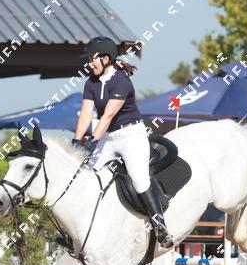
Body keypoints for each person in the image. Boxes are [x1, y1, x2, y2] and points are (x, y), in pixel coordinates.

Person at [73, 36, 173, 248]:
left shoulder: (121, 81)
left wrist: (92, 140)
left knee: (139, 179)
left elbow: (108, 115)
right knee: (85, 175)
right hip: (108, 137)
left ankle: (160, 225)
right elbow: (86, 114)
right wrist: (76, 140)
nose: (89, 64)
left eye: (92, 59)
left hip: (130, 135)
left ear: (105, 58)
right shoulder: (90, 83)